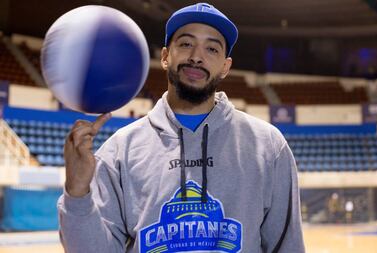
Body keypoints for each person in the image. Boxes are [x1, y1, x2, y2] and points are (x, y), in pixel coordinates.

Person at [58, 3, 305, 252]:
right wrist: (77, 192)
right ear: (165, 57)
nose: (197, 56)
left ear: (226, 67)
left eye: (211, 49)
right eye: (186, 44)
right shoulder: (120, 150)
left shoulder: (267, 145)